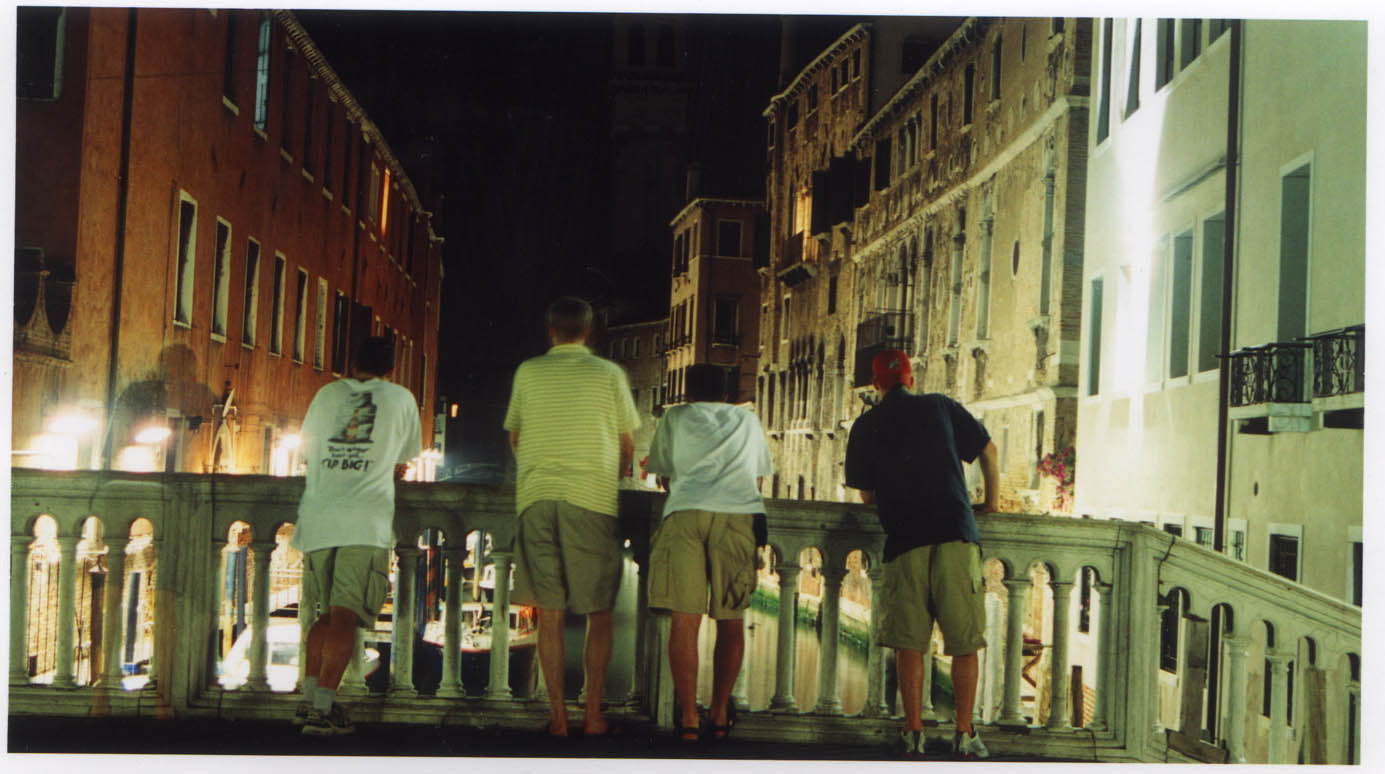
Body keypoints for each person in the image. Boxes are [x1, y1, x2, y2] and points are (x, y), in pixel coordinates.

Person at [844, 350, 998, 760]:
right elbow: (989, 450)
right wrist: (991, 503)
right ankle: (964, 734)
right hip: (955, 535)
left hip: (905, 541)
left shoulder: (866, 423)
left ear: (876, 385)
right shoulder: (940, 406)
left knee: (910, 645)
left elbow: (866, 493)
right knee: (964, 644)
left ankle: (913, 733)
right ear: (911, 378)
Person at [503, 296, 640, 737]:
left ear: (550, 332)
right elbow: (626, 447)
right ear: (589, 333)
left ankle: (558, 718)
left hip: (537, 497)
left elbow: (516, 438)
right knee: (599, 612)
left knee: (550, 612)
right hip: (591, 498)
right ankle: (593, 715)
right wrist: (608, 475)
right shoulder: (610, 374)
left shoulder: (528, 371)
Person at [291, 335, 422, 736]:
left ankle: (310, 699)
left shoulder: (326, 394)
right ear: (391, 367)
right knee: (346, 616)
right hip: (364, 521)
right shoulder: (401, 399)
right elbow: (403, 463)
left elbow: (308, 452)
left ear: (352, 361)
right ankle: (325, 708)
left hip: (317, 516)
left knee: (325, 614)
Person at [644, 364, 772, 742]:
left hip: (685, 514)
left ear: (688, 394)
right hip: (736, 515)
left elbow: (663, 476)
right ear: (728, 396)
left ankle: (687, 719)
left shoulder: (675, 417)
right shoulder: (748, 421)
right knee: (731, 619)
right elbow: (758, 478)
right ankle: (718, 714)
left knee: (685, 621)